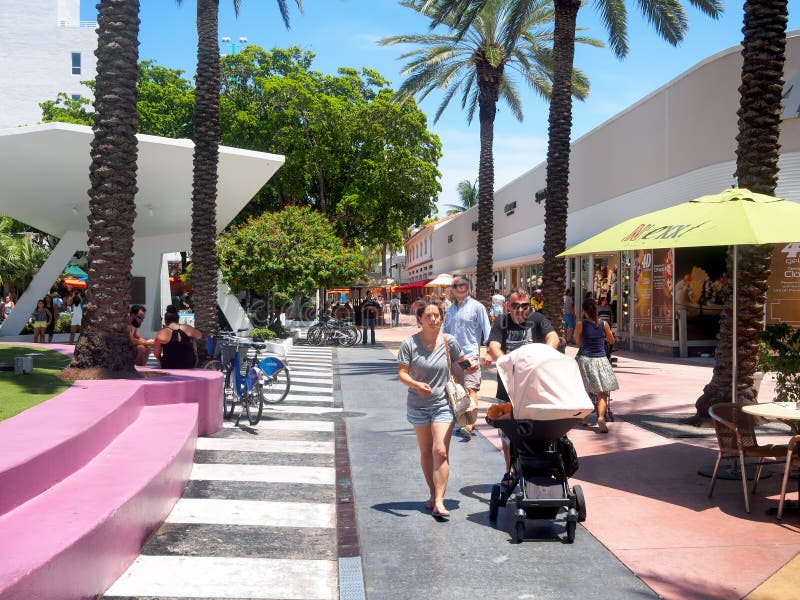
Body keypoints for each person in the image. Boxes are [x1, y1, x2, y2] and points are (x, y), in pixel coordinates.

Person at [397, 298, 477, 519]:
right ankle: (433, 494)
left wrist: (475, 365)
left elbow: (462, 362)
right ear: (420, 320)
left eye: (437, 315)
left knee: (440, 450)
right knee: (426, 451)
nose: (433, 319)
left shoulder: (448, 341)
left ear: (442, 318)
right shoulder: (409, 343)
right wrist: (416, 384)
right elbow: (402, 372)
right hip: (418, 405)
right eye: (428, 316)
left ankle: (440, 501)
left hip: (443, 404)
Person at [486, 288, 559, 482]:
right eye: (515, 306)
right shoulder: (501, 322)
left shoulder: (537, 319)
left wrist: (546, 354)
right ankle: (510, 470)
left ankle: (537, 468)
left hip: (534, 388)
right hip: (507, 388)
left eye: (524, 306)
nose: (520, 310)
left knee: (537, 430)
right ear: (507, 306)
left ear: (530, 305)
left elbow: (553, 337)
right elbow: (493, 346)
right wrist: (504, 362)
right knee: (507, 434)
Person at [443, 276, 491, 439]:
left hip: (469, 356)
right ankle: (466, 421)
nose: (457, 288)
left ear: (467, 287)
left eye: (460, 285)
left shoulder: (477, 307)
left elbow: (488, 332)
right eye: (454, 285)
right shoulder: (450, 310)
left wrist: (487, 353)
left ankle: (469, 425)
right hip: (455, 358)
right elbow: (445, 334)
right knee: (460, 391)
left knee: (471, 389)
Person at [575, 298, 619, 433]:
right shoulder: (603, 324)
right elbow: (611, 340)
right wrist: (602, 337)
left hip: (586, 359)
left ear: (583, 312)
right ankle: (600, 417)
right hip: (601, 359)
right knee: (602, 393)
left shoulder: (580, 324)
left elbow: (578, 342)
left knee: (585, 390)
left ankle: (584, 418)